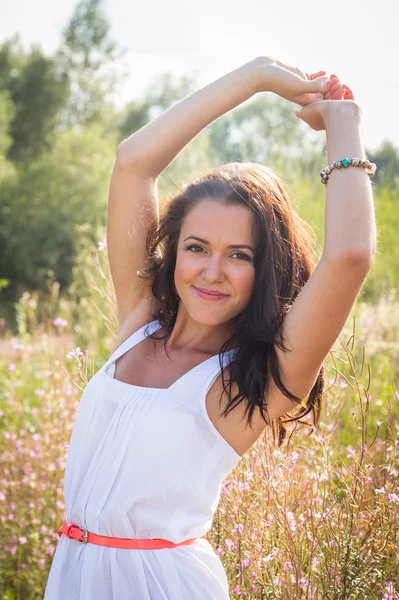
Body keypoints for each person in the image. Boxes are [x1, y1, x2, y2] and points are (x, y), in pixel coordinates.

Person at [44, 56, 376, 599]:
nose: (212, 273)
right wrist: (259, 76)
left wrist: (343, 120)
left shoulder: (252, 379)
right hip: (72, 578)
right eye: (197, 248)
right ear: (174, 252)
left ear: (263, 270)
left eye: (239, 255)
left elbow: (351, 255)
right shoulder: (140, 321)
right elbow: (133, 162)